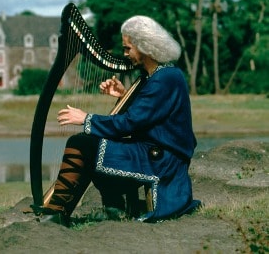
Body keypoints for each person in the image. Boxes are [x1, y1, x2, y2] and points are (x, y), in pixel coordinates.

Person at [38, 15, 201, 226]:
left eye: (128, 48)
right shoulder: (156, 75)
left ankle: (56, 212)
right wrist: (123, 96)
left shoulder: (165, 78)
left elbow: (130, 123)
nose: (125, 54)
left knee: (82, 143)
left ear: (144, 46)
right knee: (94, 142)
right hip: (153, 150)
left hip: (160, 159)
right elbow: (147, 115)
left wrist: (85, 118)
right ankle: (110, 208)